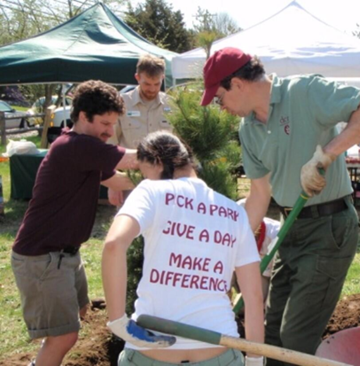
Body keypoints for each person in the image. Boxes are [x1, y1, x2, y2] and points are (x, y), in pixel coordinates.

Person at [200, 47, 360, 360]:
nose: (222, 108)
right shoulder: (248, 130)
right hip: (288, 231)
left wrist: (327, 154)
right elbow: (259, 197)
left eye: (219, 98)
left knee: (295, 338)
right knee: (272, 332)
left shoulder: (303, 92)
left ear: (236, 84)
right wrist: (230, 250)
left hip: (329, 229)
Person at [102, 131, 265, 366]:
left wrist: (118, 321)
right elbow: (253, 296)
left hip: (150, 356)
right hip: (217, 354)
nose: (143, 178)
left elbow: (114, 244)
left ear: (157, 161)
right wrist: (255, 359)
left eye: (143, 171)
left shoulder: (151, 191)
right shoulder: (234, 212)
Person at [11, 80, 140, 366]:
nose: (110, 131)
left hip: (65, 254)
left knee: (81, 310)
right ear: (83, 116)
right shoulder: (77, 145)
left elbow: (116, 178)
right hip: (42, 257)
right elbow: (134, 161)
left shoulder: (86, 148)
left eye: (113, 124)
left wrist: (152, 183)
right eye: (105, 123)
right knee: (64, 337)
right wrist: (175, 160)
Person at [108, 54, 173, 206]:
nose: (152, 89)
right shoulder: (122, 103)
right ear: (137, 77)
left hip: (164, 182)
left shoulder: (172, 105)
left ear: (162, 77)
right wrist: (113, 182)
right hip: (129, 181)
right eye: (147, 84)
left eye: (157, 84)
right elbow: (111, 144)